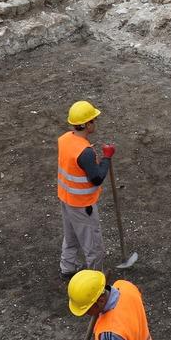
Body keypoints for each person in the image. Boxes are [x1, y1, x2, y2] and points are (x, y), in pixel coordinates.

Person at [58, 100, 115, 278]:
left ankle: (68, 268)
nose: (95, 123)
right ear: (86, 124)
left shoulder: (65, 139)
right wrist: (106, 158)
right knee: (94, 246)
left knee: (71, 235)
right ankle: (96, 281)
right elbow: (97, 178)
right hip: (83, 206)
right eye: (93, 120)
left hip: (66, 199)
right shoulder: (85, 152)